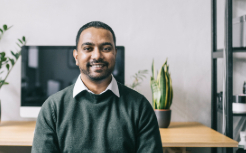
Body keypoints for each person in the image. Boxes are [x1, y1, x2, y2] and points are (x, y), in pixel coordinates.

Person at [32, 21, 163, 153]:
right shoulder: (53, 108)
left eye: (106, 48)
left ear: (115, 54)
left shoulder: (140, 107)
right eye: (88, 48)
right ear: (76, 56)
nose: (97, 56)